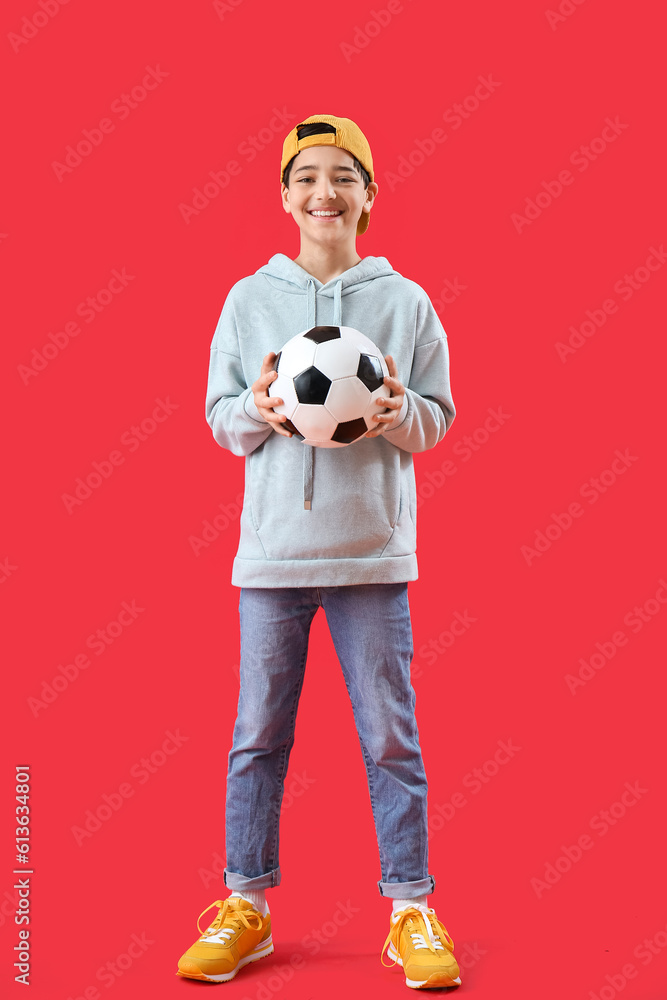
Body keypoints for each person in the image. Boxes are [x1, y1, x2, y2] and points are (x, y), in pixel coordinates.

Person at [177, 114, 461, 991]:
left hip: (373, 554)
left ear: (369, 196)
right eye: (305, 178)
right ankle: (246, 907)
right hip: (273, 557)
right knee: (257, 735)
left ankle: (408, 907)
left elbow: (437, 417)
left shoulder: (405, 301)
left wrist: (396, 411)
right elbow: (221, 416)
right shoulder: (245, 298)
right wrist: (259, 410)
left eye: (342, 176)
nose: (323, 193)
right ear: (284, 196)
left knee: (390, 740)